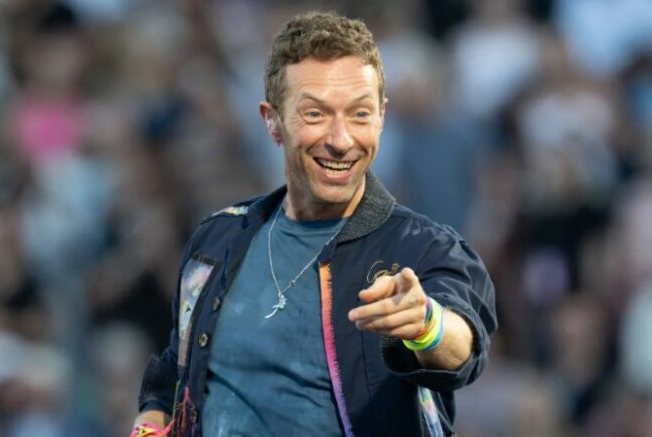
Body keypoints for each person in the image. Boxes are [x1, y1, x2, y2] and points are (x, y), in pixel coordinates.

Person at [132, 11, 497, 437]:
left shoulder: (423, 247)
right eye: (316, 114)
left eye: (360, 114)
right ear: (272, 121)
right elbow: (175, 372)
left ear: (381, 117)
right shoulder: (217, 239)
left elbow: (464, 345)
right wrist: (150, 423)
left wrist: (426, 324)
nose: (341, 140)